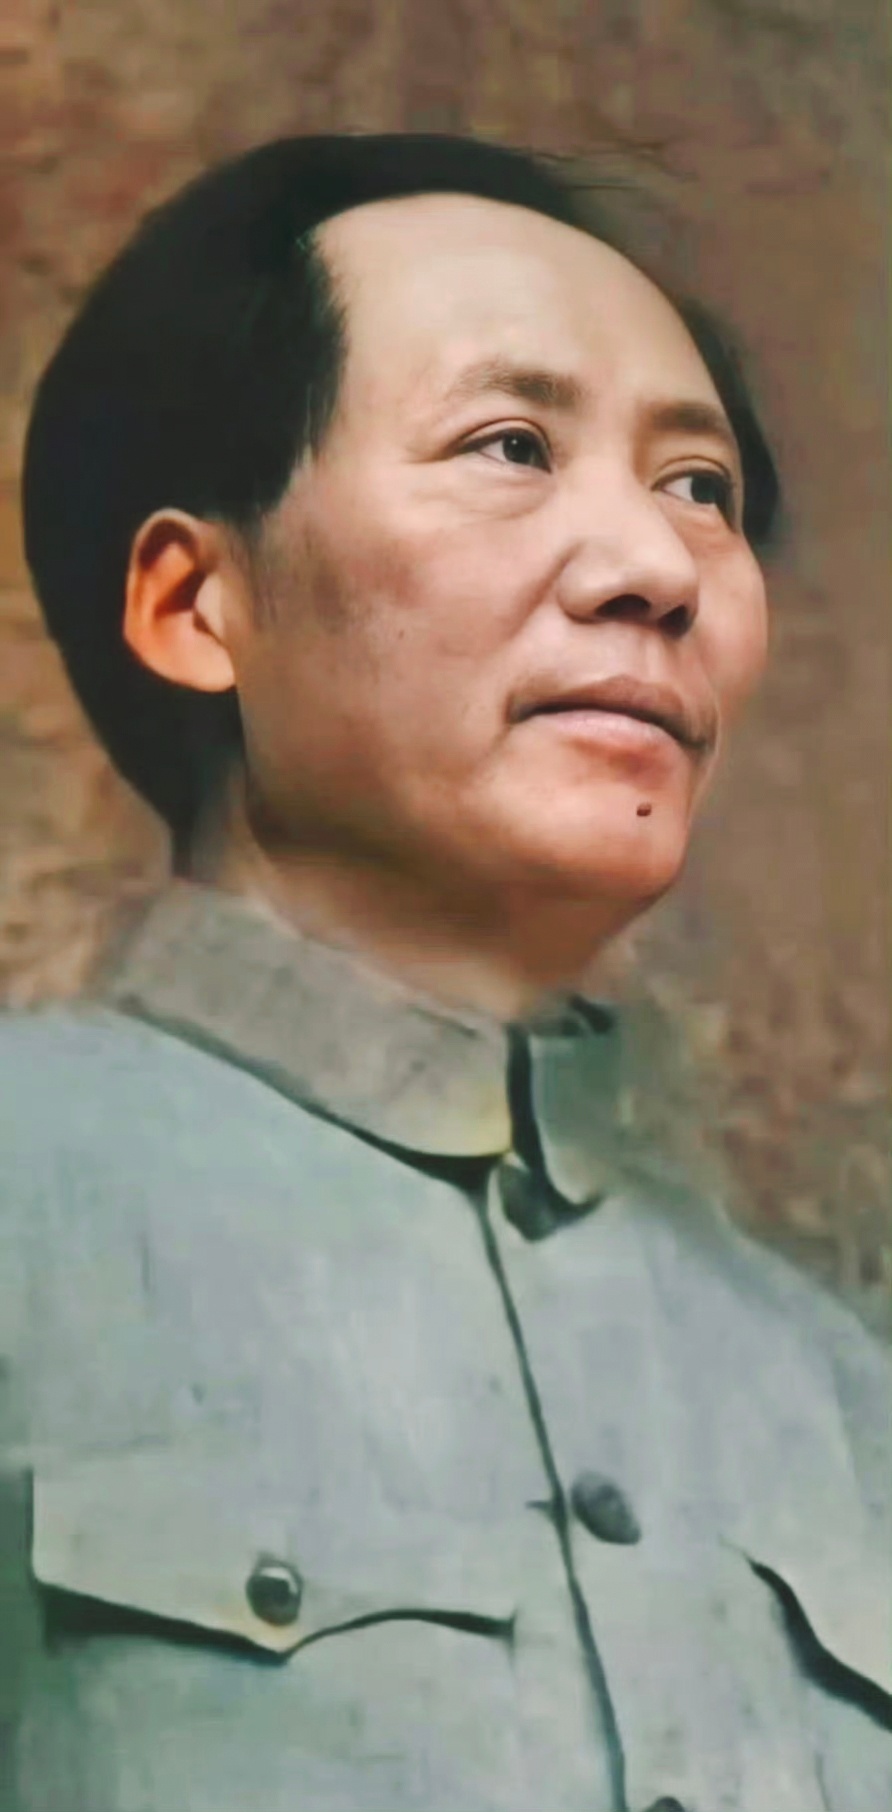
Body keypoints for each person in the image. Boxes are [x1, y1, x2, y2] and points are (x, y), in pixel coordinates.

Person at [1, 132, 888, 1812]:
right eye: (509, 446)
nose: (658, 570)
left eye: (700, 487)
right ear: (195, 604)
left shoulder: (849, 1394)